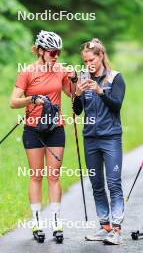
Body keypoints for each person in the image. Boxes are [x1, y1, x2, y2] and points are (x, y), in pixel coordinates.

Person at [10, 30, 77, 242]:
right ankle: (37, 222)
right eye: (51, 52)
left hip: (56, 127)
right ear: (40, 51)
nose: (56, 55)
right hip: (33, 129)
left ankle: (57, 223)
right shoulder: (27, 72)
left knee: (54, 175)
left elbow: (73, 96)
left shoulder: (60, 71)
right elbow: (13, 102)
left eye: (58, 52)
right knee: (36, 175)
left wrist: (74, 80)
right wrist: (33, 99)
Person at [73, 38, 126, 245]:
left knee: (113, 183)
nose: (88, 65)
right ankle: (104, 226)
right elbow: (77, 111)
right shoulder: (83, 78)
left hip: (111, 138)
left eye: (91, 60)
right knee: (96, 184)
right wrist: (77, 94)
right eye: (85, 61)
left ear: (101, 55)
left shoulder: (115, 78)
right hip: (90, 139)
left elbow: (116, 106)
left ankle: (117, 229)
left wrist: (100, 91)